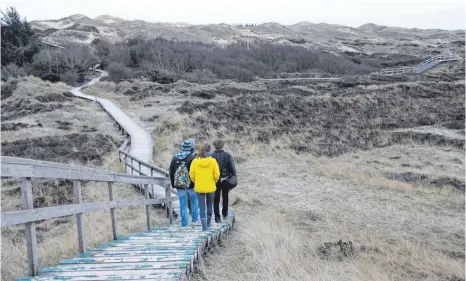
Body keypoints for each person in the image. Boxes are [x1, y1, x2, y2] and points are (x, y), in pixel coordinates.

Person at [189, 143, 219, 231]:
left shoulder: (194, 161)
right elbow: (217, 175)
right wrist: (214, 182)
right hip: (210, 187)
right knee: (210, 205)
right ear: (209, 151)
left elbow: (191, 175)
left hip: (199, 187)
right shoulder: (213, 161)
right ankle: (209, 223)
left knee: (202, 206)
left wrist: (196, 182)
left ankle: (204, 227)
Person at [169, 140, 198, 227]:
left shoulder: (175, 157)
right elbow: (195, 172)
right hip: (191, 185)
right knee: (194, 202)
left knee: (182, 204)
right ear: (190, 148)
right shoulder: (192, 158)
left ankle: (184, 223)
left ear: (182, 148)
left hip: (179, 185)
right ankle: (194, 220)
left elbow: (171, 171)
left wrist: (174, 184)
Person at [211, 140, 237, 223]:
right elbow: (232, 168)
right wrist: (233, 175)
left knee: (216, 198)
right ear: (222, 146)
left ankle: (217, 218)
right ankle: (225, 213)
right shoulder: (228, 155)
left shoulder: (210, 156)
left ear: (214, 146)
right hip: (226, 179)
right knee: (225, 196)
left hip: (214, 180)